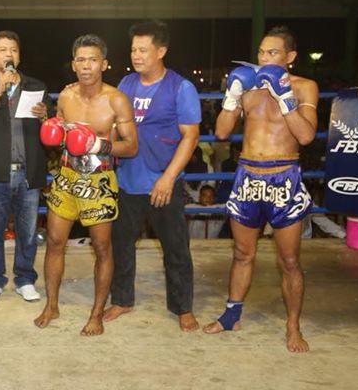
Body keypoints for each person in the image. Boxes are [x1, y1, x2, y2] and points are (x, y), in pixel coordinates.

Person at [204, 26, 319, 353]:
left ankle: (293, 325)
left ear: (290, 57)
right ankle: (231, 316)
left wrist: (285, 99)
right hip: (248, 175)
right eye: (261, 52)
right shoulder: (248, 86)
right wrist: (231, 97)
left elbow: (306, 136)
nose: (264, 58)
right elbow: (222, 133)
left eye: (273, 53)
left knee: (290, 260)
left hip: (284, 176)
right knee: (242, 254)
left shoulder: (305, 87)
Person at [35, 34, 137, 336]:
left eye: (93, 60)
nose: (86, 66)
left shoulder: (116, 99)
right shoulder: (66, 96)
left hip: (99, 179)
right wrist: (52, 131)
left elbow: (131, 146)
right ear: (73, 64)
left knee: (102, 247)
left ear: (104, 64)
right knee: (55, 241)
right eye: (80, 60)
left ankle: (96, 314)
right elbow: (59, 138)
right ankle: (51, 305)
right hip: (67, 176)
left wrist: (97, 144)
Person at [104, 20, 202, 332]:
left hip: (162, 180)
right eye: (133, 49)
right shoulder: (126, 84)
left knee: (175, 247)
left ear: (161, 51)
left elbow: (191, 137)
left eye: (143, 50)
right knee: (121, 244)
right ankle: (122, 299)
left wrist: (168, 178)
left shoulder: (181, 88)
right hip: (127, 179)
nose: (136, 55)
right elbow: (113, 124)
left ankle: (182, 307)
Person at [0, 30, 50, 303]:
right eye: (3, 50)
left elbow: (50, 129)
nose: (9, 54)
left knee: (27, 231)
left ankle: (25, 278)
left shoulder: (35, 85)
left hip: (28, 170)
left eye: (14, 50)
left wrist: (45, 116)